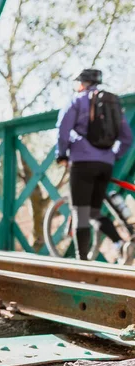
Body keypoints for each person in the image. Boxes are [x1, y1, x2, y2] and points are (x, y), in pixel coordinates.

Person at [56, 69, 133, 262]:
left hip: (82, 163)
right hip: (105, 164)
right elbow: (126, 138)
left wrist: (62, 154)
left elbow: (63, 129)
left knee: (81, 212)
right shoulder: (112, 103)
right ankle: (119, 244)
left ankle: (82, 262)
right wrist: (112, 156)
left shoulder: (77, 100)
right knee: (94, 211)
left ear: (82, 83)